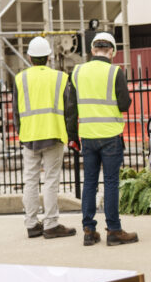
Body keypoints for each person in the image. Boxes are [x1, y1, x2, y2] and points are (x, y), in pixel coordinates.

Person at [71, 32, 137, 246]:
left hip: (87, 136)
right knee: (110, 183)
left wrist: (73, 136)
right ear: (111, 51)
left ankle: (89, 230)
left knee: (89, 183)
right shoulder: (115, 72)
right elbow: (124, 105)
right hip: (110, 135)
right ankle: (114, 230)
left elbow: (71, 108)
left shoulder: (77, 71)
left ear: (92, 50)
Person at [13, 36, 78, 239]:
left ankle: (32, 224)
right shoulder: (59, 77)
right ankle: (51, 224)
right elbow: (70, 109)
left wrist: (20, 132)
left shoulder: (20, 78)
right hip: (54, 135)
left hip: (30, 136)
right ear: (49, 57)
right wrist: (71, 134)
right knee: (51, 180)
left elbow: (15, 110)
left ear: (29, 57)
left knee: (30, 180)